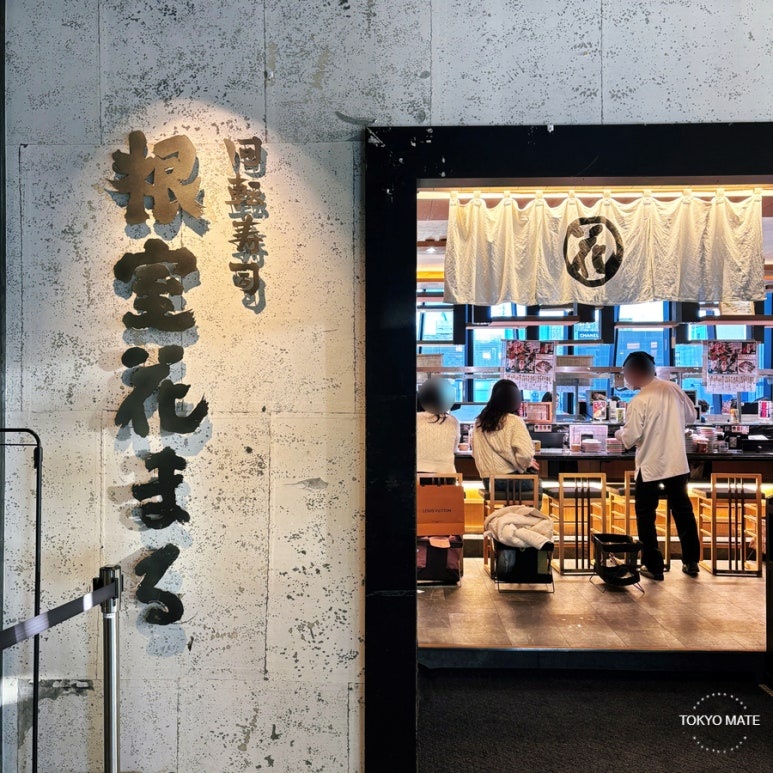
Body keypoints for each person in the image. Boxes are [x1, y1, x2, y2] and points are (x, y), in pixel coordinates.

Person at [614, 351, 701, 580]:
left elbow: (630, 438)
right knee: (683, 512)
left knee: (646, 515)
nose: (626, 380)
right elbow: (692, 417)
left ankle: (653, 566)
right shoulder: (673, 389)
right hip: (676, 464)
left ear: (634, 372)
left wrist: (618, 432)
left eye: (626, 375)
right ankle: (691, 562)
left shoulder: (639, 401)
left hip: (650, 465)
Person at [472, 379, 539, 494]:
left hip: (488, 481)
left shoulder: (480, 421)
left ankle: (507, 512)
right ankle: (526, 512)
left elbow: (474, 452)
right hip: (508, 480)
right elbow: (525, 454)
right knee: (537, 484)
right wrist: (527, 463)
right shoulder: (514, 421)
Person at [416, 378, 460, 474]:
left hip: (418, 475)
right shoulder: (453, 421)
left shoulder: (415, 419)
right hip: (446, 476)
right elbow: (454, 449)